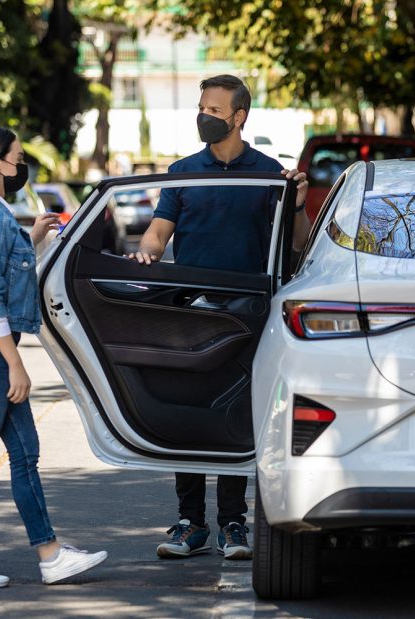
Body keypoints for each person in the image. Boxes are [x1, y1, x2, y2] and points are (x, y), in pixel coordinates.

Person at [129, 74, 310, 560]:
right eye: (202, 107)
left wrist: (296, 202)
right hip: (192, 311)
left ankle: (234, 524)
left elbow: (296, 245)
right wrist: (146, 256)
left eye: (214, 109)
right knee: (188, 415)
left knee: (233, 416)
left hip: (248, 314)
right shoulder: (184, 171)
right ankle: (190, 523)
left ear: (239, 116)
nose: (205, 115)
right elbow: (158, 232)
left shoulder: (270, 172)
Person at [0, 127, 108, 587]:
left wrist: (29, 239)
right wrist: (15, 362)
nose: (21, 164)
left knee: (25, 453)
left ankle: (50, 555)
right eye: (17, 157)